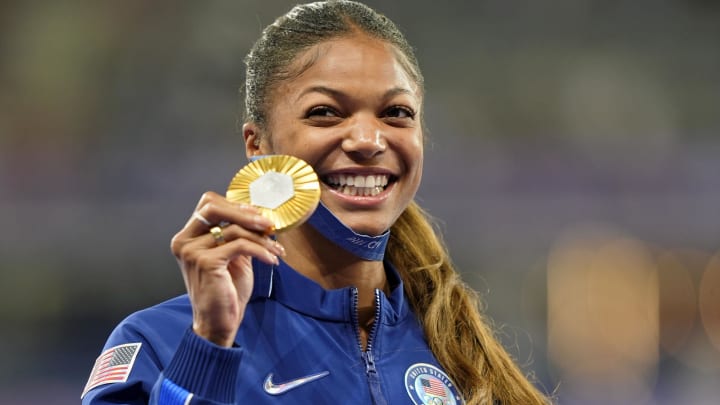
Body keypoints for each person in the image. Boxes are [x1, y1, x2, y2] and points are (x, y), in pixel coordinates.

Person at [81, 1, 549, 404]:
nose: (367, 139)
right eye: (325, 113)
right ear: (257, 143)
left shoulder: (462, 352)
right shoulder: (157, 343)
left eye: (396, 114)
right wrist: (209, 345)